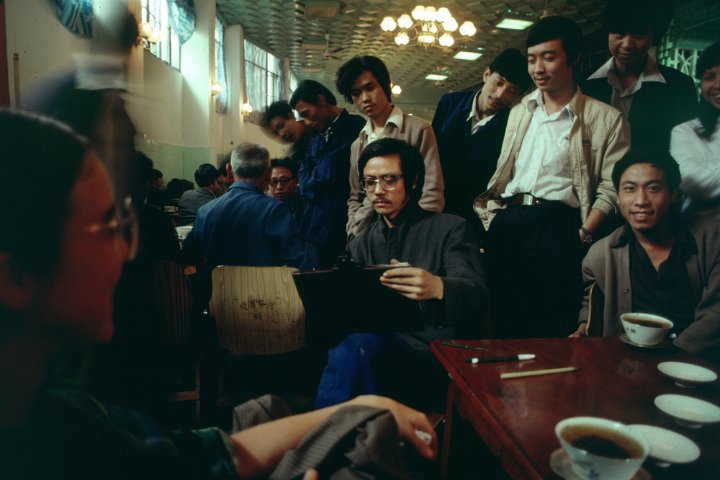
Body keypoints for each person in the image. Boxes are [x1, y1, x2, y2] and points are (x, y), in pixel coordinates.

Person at [0, 109, 437, 479]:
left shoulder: (73, 422)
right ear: (16, 276)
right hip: (280, 327)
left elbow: (210, 454)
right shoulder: (78, 431)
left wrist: (353, 410)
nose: (127, 250)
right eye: (106, 228)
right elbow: (304, 265)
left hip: (224, 325)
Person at [475, 16, 631, 339]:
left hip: (559, 226)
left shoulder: (606, 118)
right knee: (499, 320)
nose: (538, 68)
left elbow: (612, 187)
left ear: (573, 59)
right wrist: (495, 217)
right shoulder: (520, 110)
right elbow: (506, 169)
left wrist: (583, 233)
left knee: (549, 326)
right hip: (509, 221)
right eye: (532, 59)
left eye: (549, 57)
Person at [315, 138, 488, 409]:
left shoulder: (450, 228)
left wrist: (439, 287)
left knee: (356, 350)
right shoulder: (360, 244)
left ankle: (326, 429)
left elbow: (477, 296)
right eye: (370, 182)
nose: (378, 191)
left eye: (389, 180)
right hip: (375, 350)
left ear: (414, 181)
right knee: (345, 346)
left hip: (434, 354)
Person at [573, 150, 720, 361]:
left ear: (674, 194)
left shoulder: (713, 239)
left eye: (653, 188)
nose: (641, 200)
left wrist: (670, 363)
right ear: (618, 197)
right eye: (629, 189)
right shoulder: (599, 256)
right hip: (626, 366)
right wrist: (582, 331)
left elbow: (716, 315)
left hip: (695, 365)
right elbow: (591, 308)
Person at [336, 56, 444, 238]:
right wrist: (353, 230)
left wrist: (422, 233)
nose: (365, 98)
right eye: (356, 93)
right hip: (368, 233)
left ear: (386, 86)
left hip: (411, 229)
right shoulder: (358, 143)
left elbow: (432, 189)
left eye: (370, 88)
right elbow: (356, 195)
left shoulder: (418, 129)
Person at [432, 49, 532, 240]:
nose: (500, 94)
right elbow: (429, 154)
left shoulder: (511, 126)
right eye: (499, 82)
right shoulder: (450, 103)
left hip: (475, 215)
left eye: (511, 91)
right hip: (437, 205)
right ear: (486, 74)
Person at [580, 0, 696, 152]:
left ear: (654, 37)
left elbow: (686, 148)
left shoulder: (679, 86)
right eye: (619, 33)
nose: (627, 44)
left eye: (638, 35)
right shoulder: (581, 83)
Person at [183, 143, 310, 273]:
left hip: (217, 286)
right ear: (268, 174)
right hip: (265, 286)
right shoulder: (275, 210)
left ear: (229, 170)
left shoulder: (206, 211)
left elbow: (190, 255)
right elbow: (297, 260)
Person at [290, 80, 365, 268]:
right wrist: (316, 181)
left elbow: (333, 170)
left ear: (321, 100)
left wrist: (313, 181)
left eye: (306, 114)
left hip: (339, 229)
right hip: (310, 231)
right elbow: (304, 179)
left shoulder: (357, 128)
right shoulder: (315, 138)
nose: (306, 122)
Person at [670, 41, 720, 216]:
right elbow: (692, 183)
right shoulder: (685, 131)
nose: (718, 85)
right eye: (710, 77)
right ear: (701, 84)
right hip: (700, 226)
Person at [261, 100, 313, 167]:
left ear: (291, 116)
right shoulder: (295, 155)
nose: (281, 135)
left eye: (281, 126)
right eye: (276, 134)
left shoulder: (320, 131)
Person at [268, 157, 304, 224]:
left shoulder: (305, 205)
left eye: (284, 181)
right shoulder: (266, 207)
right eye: (274, 182)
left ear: (296, 181)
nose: (279, 187)